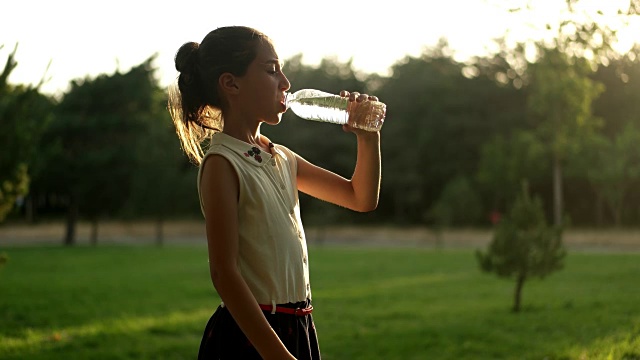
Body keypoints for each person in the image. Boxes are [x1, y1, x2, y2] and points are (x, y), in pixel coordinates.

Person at [168, 26, 382, 360]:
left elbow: (361, 198)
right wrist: (278, 356)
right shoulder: (223, 163)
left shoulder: (282, 157)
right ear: (231, 83)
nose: (285, 82)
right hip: (252, 338)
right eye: (271, 70)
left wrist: (367, 137)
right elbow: (224, 274)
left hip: (298, 328)